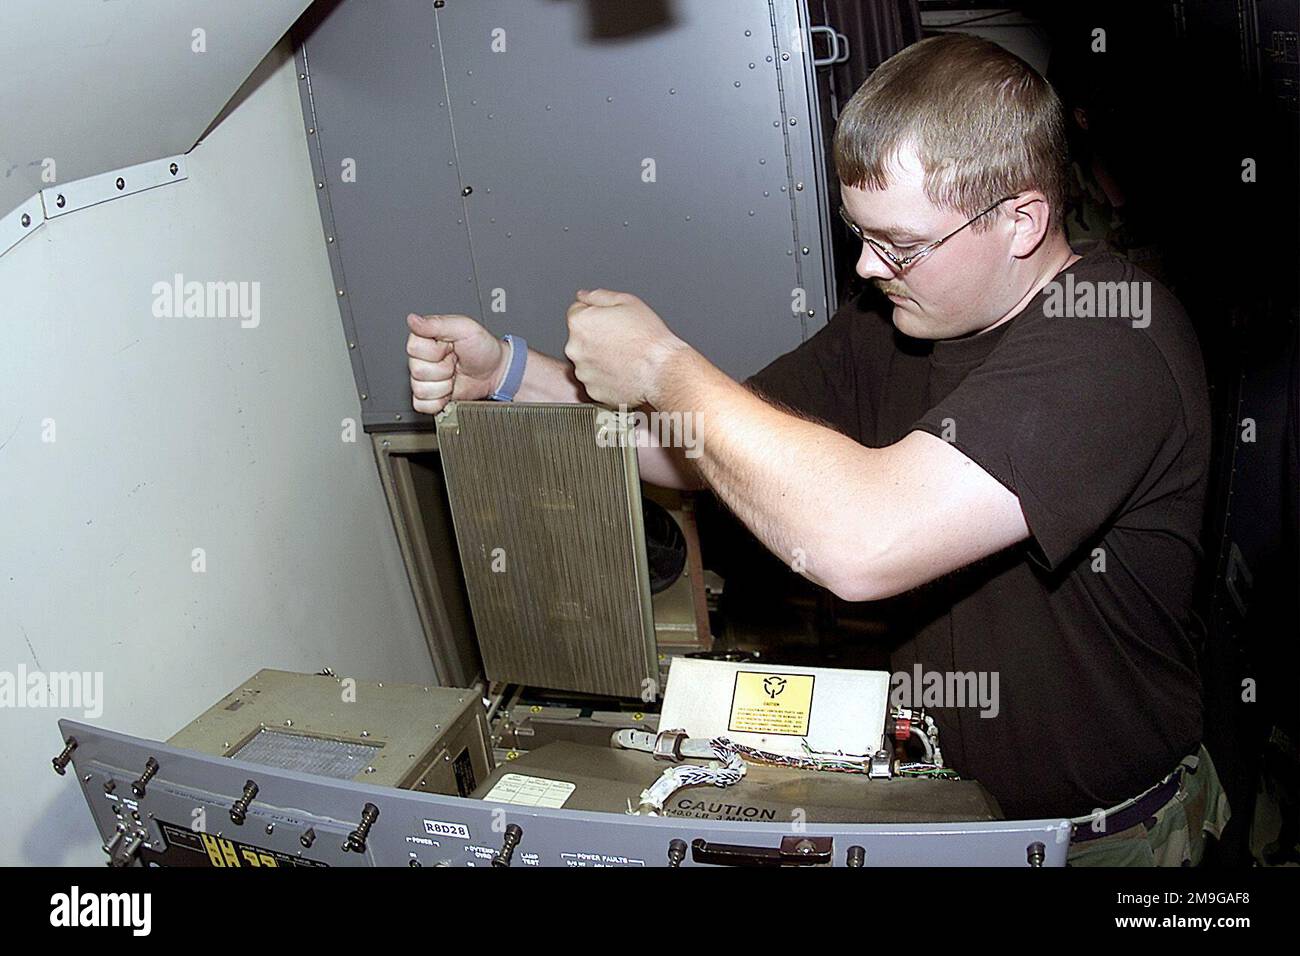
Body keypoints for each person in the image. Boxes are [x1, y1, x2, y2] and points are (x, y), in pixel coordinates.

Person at [405, 33, 1228, 865]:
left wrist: (663, 364)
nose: (870, 266)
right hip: (949, 813)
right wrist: (509, 372)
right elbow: (716, 449)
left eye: (901, 243)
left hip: (1102, 840)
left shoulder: (1114, 339)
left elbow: (863, 544)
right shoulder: (896, 325)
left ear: (1021, 221)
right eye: (858, 233)